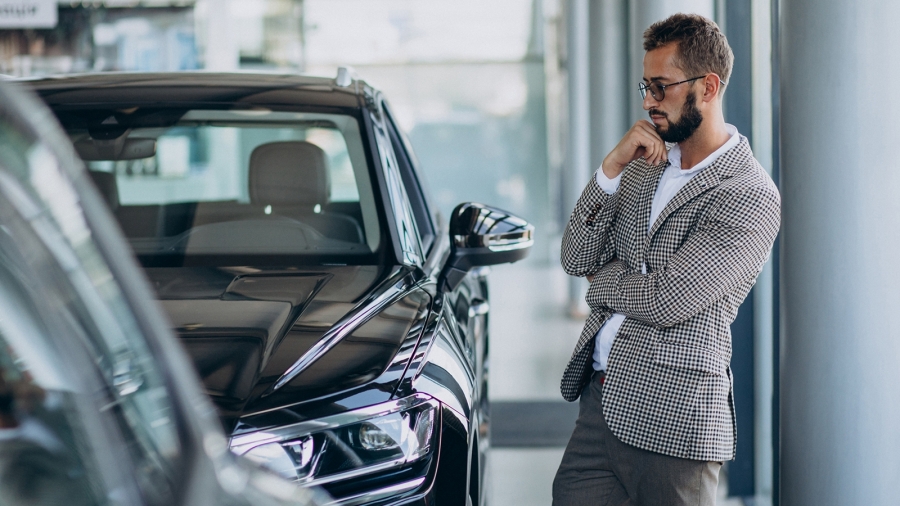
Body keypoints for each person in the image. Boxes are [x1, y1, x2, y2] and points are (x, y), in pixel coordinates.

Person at [552, 13, 781, 506]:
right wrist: (611, 169)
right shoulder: (643, 163)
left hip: (675, 423)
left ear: (709, 86)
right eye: (645, 85)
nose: (648, 101)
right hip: (601, 406)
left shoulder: (748, 193)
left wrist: (604, 280)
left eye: (661, 87)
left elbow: (666, 298)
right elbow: (574, 256)